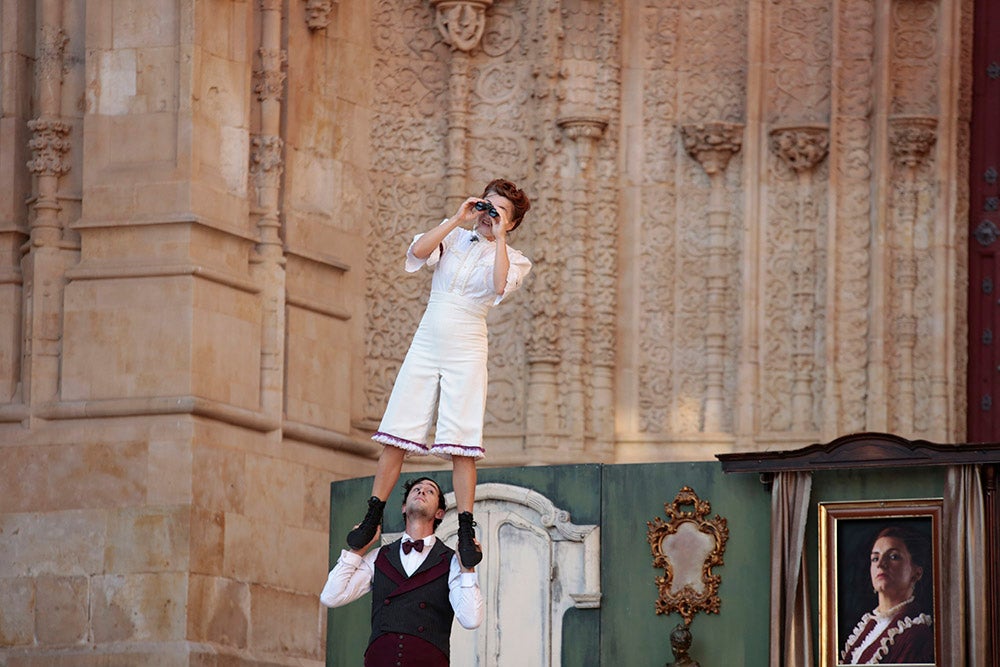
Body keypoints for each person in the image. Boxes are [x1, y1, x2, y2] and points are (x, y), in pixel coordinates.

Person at [347, 179, 532, 568]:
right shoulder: (454, 238)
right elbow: (417, 252)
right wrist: (457, 218)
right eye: (487, 207)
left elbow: (499, 285)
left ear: (512, 224)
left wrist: (498, 238)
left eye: (499, 213)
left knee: (460, 439)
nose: (488, 216)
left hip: (467, 345)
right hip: (428, 339)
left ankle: (466, 528)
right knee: (397, 429)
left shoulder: (514, 258)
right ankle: (374, 515)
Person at [321, 476, 485, 666]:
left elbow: (471, 619)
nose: (421, 491)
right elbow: (330, 596)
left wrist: (468, 568)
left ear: (439, 513)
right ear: (403, 507)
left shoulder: (451, 562)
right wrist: (358, 549)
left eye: (430, 491)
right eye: (416, 489)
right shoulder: (379, 556)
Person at [840, 525, 934, 664]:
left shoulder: (917, 635)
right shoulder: (869, 626)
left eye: (893, 556)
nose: (881, 564)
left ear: (917, 573)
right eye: (875, 558)